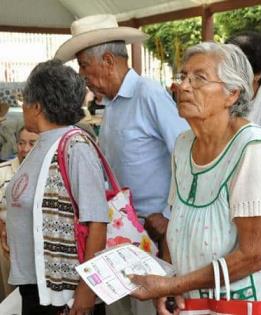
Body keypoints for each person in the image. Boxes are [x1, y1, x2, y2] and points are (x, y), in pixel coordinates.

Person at [128, 42, 261, 314]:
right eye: (183, 77)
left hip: (242, 304)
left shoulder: (253, 150)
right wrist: (170, 282)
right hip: (192, 303)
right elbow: (178, 225)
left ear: (232, 93)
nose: (183, 86)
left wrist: (173, 285)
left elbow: (257, 254)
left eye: (199, 79)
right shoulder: (184, 145)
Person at [54, 14, 189, 315]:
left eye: (83, 66)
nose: (82, 75)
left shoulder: (149, 94)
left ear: (107, 61)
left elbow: (186, 153)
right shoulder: (112, 103)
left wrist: (168, 214)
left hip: (153, 236)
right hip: (121, 235)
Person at [0, 60, 109, 315]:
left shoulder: (75, 147)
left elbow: (97, 221)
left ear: (36, 106)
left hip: (66, 296)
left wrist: (86, 290)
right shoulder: (41, 144)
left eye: (24, 99)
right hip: (35, 286)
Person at [0, 127, 38, 301]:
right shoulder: (3, 171)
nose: (25, 148)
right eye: (21, 143)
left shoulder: (46, 172)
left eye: (32, 143)